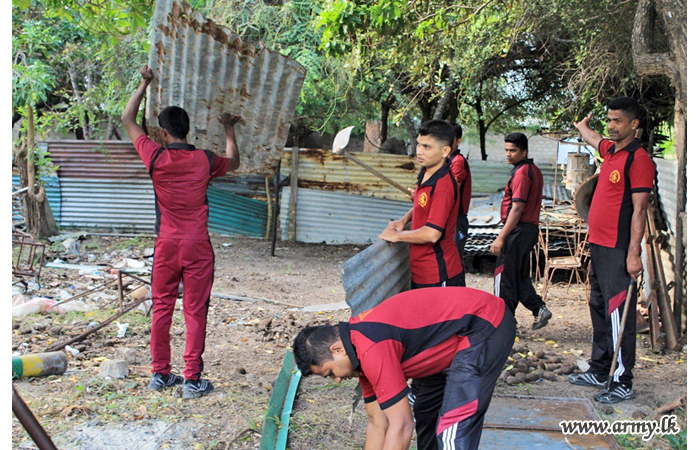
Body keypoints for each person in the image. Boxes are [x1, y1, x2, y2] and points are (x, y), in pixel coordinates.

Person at [121, 64, 242, 399]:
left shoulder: (154, 156)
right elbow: (234, 161)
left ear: (163, 133)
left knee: (162, 307)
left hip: (166, 244)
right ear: (188, 131)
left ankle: (160, 374)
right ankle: (191, 380)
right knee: (195, 309)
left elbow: (128, 119)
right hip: (197, 246)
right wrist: (229, 129)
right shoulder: (204, 160)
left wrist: (144, 82)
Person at [293, 287, 515, 450]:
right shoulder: (359, 349)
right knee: (425, 410)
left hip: (484, 324)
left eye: (330, 373)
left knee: (453, 428)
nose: (337, 379)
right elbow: (378, 421)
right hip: (451, 339)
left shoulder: (372, 347)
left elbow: (401, 426)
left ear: (337, 349)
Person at [569, 97, 655, 404]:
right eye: (609, 120)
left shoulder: (639, 160)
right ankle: (600, 368)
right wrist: (582, 127)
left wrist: (633, 254)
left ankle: (621, 380)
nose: (611, 126)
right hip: (599, 244)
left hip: (618, 249)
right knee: (598, 306)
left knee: (619, 314)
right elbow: (594, 139)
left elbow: (640, 210)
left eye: (618, 121)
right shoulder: (611, 151)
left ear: (634, 124)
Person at [379, 120, 464, 289]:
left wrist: (397, 236)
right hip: (422, 271)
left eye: (426, 147)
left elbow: (432, 234)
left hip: (439, 273)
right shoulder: (426, 172)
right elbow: (423, 205)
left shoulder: (443, 186)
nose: (419, 151)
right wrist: (404, 220)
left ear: (445, 151)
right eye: (418, 144)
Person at [490, 132, 551, 330]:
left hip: (518, 230)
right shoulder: (533, 170)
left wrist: (501, 237)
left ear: (524, 152)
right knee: (519, 276)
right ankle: (538, 308)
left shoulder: (522, 174)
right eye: (506, 150)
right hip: (528, 230)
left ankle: (505, 323)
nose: (508, 154)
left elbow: (517, 208)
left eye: (513, 151)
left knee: (504, 276)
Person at [448, 124, 472, 269]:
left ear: (458, 141)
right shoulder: (446, 161)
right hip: (448, 218)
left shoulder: (457, 161)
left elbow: (451, 192)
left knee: (453, 262)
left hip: (456, 218)